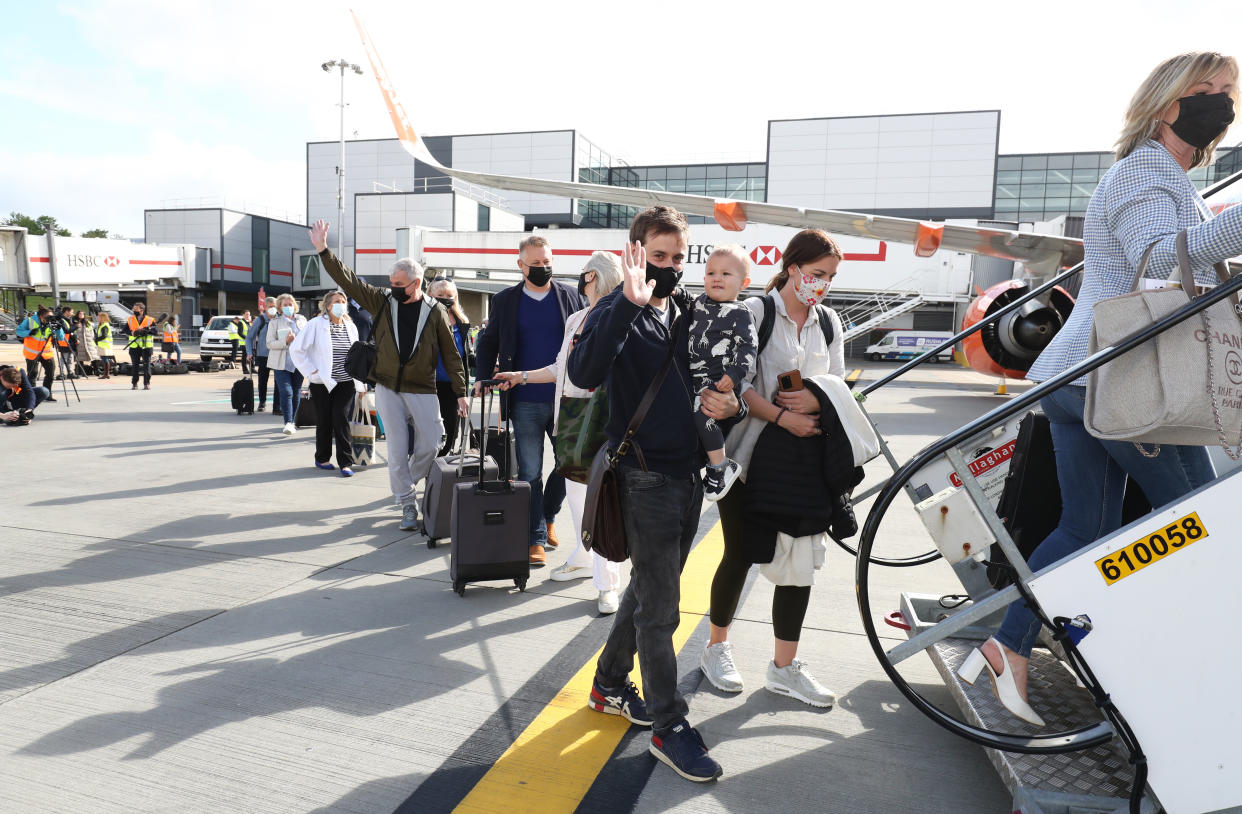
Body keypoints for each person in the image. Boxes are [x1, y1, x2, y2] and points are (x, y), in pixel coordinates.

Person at [960, 52, 1242, 728]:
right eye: (1209, 91)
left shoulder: (1167, 177)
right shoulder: (1143, 172)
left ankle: (1009, 644)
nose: (1225, 103)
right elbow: (1163, 254)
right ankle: (1162, 662)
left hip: (1083, 373)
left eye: (1231, 92)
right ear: (1167, 103)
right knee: (1198, 523)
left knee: (1085, 527)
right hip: (1115, 376)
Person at [569, 205, 743, 783]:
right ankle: (670, 725)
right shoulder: (617, 308)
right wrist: (627, 302)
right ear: (635, 251)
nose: (668, 268)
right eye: (657, 257)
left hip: (687, 476)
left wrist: (730, 403)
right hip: (642, 477)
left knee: (648, 588)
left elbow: (712, 377)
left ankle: (609, 683)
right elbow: (585, 372)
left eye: (676, 258)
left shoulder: (690, 311)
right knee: (660, 611)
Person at [700, 229, 846, 709]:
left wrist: (817, 401)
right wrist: (784, 415)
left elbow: (840, 389)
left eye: (829, 277)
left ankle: (784, 667)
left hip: (804, 465)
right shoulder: (756, 312)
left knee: (799, 566)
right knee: (741, 553)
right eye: (816, 274)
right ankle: (716, 647)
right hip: (750, 459)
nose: (821, 285)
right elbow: (735, 384)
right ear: (791, 265)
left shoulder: (829, 323)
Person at [308, 220, 468, 530]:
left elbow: (451, 353)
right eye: (391, 282)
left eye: (399, 284)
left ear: (416, 283)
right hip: (387, 387)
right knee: (395, 448)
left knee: (433, 443)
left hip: (422, 387)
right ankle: (407, 503)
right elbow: (349, 280)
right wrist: (323, 250)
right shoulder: (382, 300)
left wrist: (461, 391)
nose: (393, 288)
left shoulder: (435, 312)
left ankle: (406, 477)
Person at [495, 251, 625, 614]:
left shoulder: (617, 316)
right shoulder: (577, 318)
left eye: (584, 274)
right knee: (576, 494)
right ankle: (584, 554)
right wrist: (520, 376)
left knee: (598, 501)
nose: (580, 279)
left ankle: (607, 583)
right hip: (570, 417)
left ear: (594, 277)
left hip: (601, 419)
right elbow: (560, 367)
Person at [474, 235, 587, 566]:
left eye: (547, 261)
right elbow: (488, 341)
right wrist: (483, 378)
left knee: (571, 466)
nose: (543, 268)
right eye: (536, 263)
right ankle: (535, 536)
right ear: (520, 264)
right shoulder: (506, 300)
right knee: (530, 471)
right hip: (524, 398)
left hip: (566, 398)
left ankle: (548, 514)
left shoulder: (571, 296)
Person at [686, 245, 757, 502]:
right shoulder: (697, 303)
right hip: (697, 376)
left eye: (726, 274)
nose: (717, 278)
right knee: (698, 417)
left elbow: (749, 348)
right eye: (711, 272)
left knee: (703, 415)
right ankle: (714, 463)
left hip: (721, 379)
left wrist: (735, 375)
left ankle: (720, 466)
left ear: (743, 283)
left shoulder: (740, 313)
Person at [289, 291, 367, 476]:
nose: (342, 304)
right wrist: (311, 371)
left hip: (346, 381)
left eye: (344, 301)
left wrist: (361, 383)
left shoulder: (350, 326)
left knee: (340, 418)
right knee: (324, 419)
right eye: (337, 302)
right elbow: (296, 349)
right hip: (322, 382)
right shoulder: (316, 324)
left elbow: (356, 357)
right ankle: (322, 458)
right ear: (328, 306)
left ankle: (345, 462)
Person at [428, 279, 473, 456]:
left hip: (453, 387)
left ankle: (438, 475)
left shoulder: (462, 323)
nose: (445, 298)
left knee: (450, 435)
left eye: (449, 295)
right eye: (440, 295)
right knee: (430, 437)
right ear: (430, 295)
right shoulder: (425, 319)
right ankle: (427, 472)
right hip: (428, 386)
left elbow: (466, 356)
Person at [267, 294, 307, 436]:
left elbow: (308, 339)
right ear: (279, 307)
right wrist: (286, 341)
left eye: (290, 304)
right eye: (285, 305)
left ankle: (293, 420)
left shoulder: (301, 320)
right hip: (280, 363)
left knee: (296, 392)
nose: (288, 307)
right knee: (286, 392)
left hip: (298, 363)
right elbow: (269, 343)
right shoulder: (274, 323)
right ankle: (288, 422)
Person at [18, 307, 61, 399]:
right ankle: (32, 395)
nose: (49, 319)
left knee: (50, 373)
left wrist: (59, 328)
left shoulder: (51, 323)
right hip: (32, 353)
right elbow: (19, 331)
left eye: (51, 317)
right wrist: (29, 332)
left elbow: (60, 337)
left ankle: (47, 394)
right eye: (47, 317)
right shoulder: (30, 321)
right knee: (32, 374)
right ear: (41, 316)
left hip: (46, 353)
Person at [248, 297, 277, 412]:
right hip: (263, 356)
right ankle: (262, 402)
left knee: (279, 382)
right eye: (270, 306)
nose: (273, 309)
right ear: (265, 307)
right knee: (262, 381)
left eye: (274, 306)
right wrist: (249, 352)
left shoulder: (280, 319)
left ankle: (277, 406)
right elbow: (249, 338)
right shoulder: (259, 320)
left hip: (277, 355)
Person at [126, 301, 157, 391]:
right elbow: (125, 330)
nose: (133, 310)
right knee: (135, 366)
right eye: (133, 309)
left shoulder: (150, 320)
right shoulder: (130, 319)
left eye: (136, 309)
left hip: (146, 347)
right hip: (134, 346)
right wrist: (132, 332)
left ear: (142, 310)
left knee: (146, 366)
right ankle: (134, 383)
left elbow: (155, 331)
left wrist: (146, 331)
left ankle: (146, 384)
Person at [74, 310, 101, 376]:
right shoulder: (75, 322)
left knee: (94, 356)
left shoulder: (88, 323)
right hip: (80, 343)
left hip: (89, 342)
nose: (81, 315)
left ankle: (96, 370)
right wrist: (76, 339)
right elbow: (74, 332)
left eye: (82, 314)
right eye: (80, 314)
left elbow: (91, 332)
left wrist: (91, 338)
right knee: (80, 358)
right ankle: (82, 372)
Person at [94, 312, 114, 379]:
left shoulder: (104, 325)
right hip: (104, 345)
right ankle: (106, 373)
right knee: (104, 359)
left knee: (105, 359)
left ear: (103, 318)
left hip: (104, 345)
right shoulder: (102, 325)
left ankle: (106, 373)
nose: (98, 318)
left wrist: (96, 339)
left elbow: (104, 335)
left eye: (99, 317)